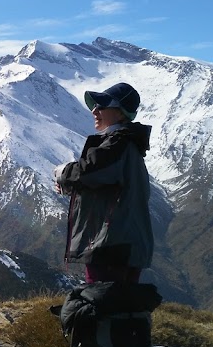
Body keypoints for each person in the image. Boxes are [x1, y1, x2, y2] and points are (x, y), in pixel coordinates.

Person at [53, 82, 153, 284]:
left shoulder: (117, 143)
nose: (94, 110)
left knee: (102, 304)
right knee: (122, 305)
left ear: (121, 112)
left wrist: (63, 173)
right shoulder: (129, 144)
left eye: (103, 105)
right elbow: (102, 181)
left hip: (111, 245)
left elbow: (89, 171)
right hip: (128, 244)